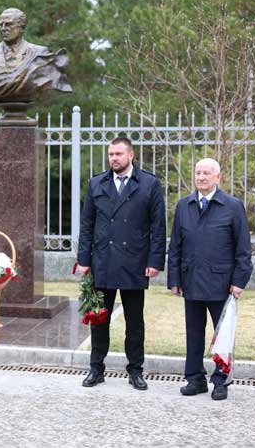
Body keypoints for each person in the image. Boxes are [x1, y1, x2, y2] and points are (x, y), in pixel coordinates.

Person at [76, 137, 166, 390]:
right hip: (103, 260)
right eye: (111, 154)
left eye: (118, 154)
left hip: (135, 262)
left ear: (131, 156)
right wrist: (84, 259)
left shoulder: (149, 183)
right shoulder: (97, 183)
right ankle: (96, 369)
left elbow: (158, 227)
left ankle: (135, 370)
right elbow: (87, 225)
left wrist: (155, 260)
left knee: (134, 322)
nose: (114, 158)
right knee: (99, 319)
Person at [167, 158, 252, 401]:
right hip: (191, 280)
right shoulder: (184, 206)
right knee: (193, 334)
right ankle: (195, 379)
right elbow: (175, 246)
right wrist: (174, 279)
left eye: (206, 173)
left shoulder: (233, 206)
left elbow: (243, 249)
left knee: (222, 335)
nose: (201, 177)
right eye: (198, 172)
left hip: (222, 283)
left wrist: (239, 281)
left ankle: (221, 380)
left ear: (218, 177)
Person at [0, 8, 72, 103]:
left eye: (9, 24)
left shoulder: (39, 53)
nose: (4, 29)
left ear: (22, 27)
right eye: (1, 25)